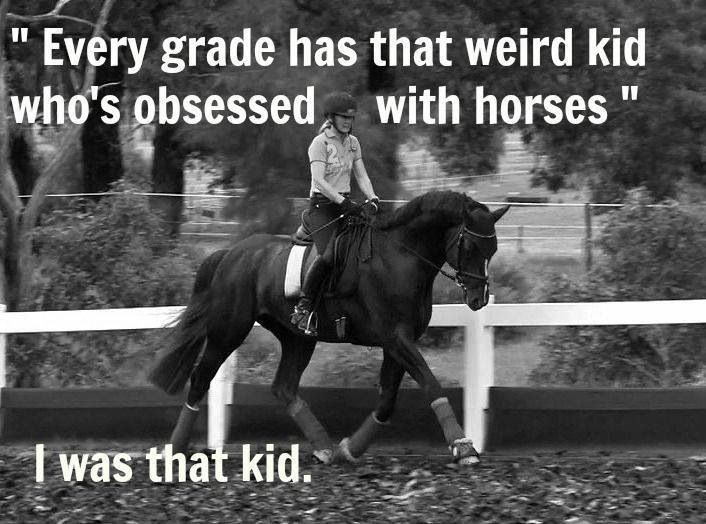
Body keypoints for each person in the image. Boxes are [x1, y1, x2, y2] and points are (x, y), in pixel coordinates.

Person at [290, 91, 380, 336]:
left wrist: (372, 198)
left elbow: (361, 175)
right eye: (343, 117)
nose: (348, 122)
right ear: (331, 117)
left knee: (369, 247)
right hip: (321, 207)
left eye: (351, 118)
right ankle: (304, 309)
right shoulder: (320, 143)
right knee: (329, 256)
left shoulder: (353, 143)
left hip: (345, 204)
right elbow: (319, 181)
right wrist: (342, 202)